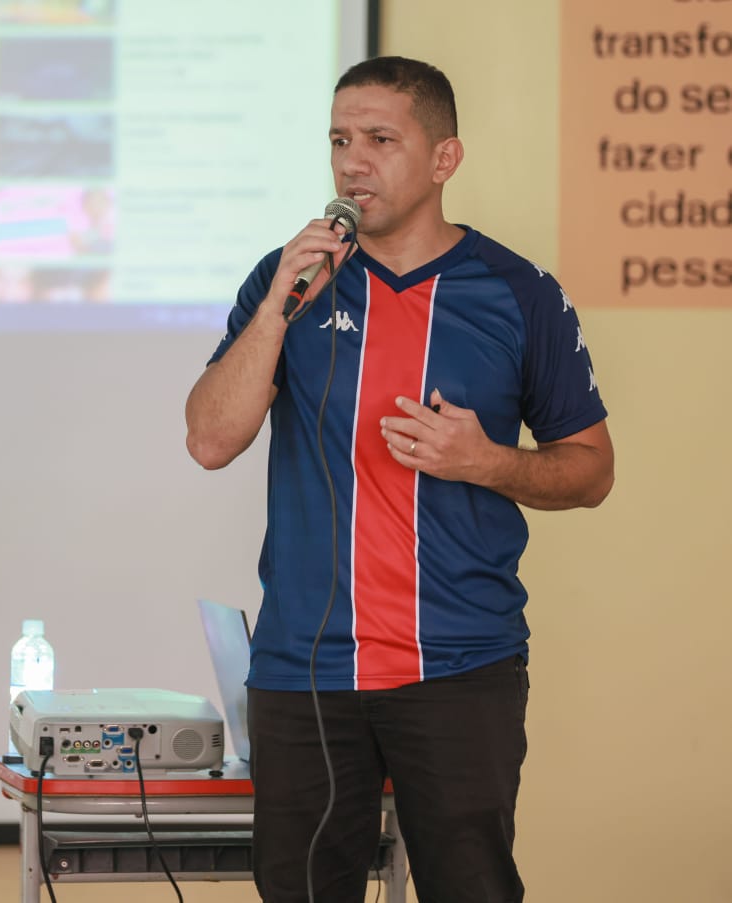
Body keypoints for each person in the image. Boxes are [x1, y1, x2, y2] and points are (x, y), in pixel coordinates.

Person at [184, 57, 614, 903]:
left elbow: (592, 469)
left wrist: (485, 460)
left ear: (444, 159)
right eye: (341, 140)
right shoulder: (287, 282)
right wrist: (277, 306)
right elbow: (208, 439)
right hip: (305, 670)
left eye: (381, 139)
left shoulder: (517, 294)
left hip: (459, 664)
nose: (353, 162)